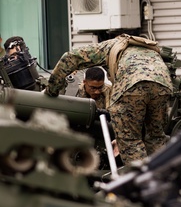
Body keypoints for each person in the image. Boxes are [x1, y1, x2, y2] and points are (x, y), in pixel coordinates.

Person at [45, 34, 172, 164]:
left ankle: (142, 182)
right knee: (156, 137)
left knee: (130, 141)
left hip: (132, 85)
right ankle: (161, 178)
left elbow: (70, 57)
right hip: (163, 84)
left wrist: (52, 89)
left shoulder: (111, 46)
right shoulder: (145, 49)